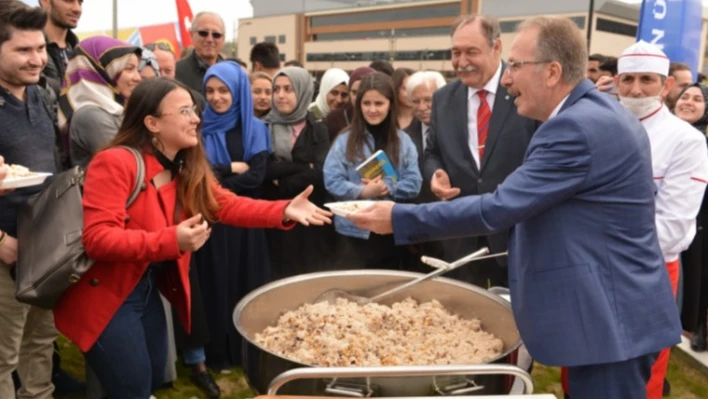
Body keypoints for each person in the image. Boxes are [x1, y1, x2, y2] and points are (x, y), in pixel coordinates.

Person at [350, 16, 682, 399]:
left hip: (610, 318)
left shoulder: (576, 128)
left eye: (516, 67)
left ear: (552, 72)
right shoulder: (594, 113)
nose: (506, 80)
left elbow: (500, 207)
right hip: (608, 311)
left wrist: (398, 216)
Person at [52, 77, 330, 398]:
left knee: (153, 374)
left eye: (194, 110)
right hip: (107, 296)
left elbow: (224, 204)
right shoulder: (115, 162)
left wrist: (282, 210)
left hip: (144, 289)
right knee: (132, 386)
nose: (197, 118)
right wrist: (172, 240)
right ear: (152, 123)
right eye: (185, 111)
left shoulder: (182, 163)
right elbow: (98, 239)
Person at [573, 40, 708, 399]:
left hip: (645, 275)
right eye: (628, 79)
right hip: (587, 269)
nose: (635, 89)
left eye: (647, 79)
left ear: (666, 86)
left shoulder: (686, 141)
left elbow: (673, 231)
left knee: (635, 376)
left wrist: (591, 235)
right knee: (581, 366)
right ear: (615, 82)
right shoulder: (591, 126)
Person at [424, 15, 538, 288]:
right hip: (461, 237)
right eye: (455, 52)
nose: (461, 62)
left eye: (471, 52)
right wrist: (434, 174)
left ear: (496, 48)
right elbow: (431, 152)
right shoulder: (443, 98)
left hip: (516, 236)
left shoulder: (526, 90)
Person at [195, 61, 273, 374]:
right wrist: (229, 169)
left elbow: (256, 177)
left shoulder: (255, 128)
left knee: (245, 280)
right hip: (213, 222)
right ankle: (218, 354)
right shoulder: (198, 127)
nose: (216, 97)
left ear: (237, 91)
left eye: (223, 90)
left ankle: (246, 352)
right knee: (216, 283)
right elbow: (198, 178)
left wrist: (217, 179)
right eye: (210, 91)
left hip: (247, 222)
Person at [0, 3, 58, 398]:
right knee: (3, 357)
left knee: (41, 344)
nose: (37, 59)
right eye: (23, 50)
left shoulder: (40, 94)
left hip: (47, 249)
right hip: (7, 253)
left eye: (39, 48)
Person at [324, 72, 421, 270]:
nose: (372, 109)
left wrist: (387, 187)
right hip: (352, 231)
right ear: (358, 105)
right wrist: (362, 192)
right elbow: (332, 179)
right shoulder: (345, 139)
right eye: (366, 103)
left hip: (391, 228)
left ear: (390, 104)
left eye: (379, 103)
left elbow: (414, 182)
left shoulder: (403, 141)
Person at [263, 67, 331, 279]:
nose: (281, 95)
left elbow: (320, 172)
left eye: (288, 89)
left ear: (302, 91)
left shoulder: (317, 128)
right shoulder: (263, 127)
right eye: (277, 89)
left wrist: (282, 183)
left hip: (309, 215)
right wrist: (303, 167)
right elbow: (265, 170)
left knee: (307, 273)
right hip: (274, 212)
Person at [58, 36, 142, 167]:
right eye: (129, 69)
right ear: (102, 70)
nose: (138, 77)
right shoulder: (90, 115)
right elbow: (127, 162)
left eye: (137, 69)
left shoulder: (117, 108)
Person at [675, 83, 708, 353]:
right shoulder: (661, 135)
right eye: (685, 96)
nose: (689, 102)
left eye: (697, 99)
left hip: (697, 232)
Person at [404, 70, 447, 203]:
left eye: (428, 100)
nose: (422, 107)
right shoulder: (404, 137)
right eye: (416, 101)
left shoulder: (461, 129)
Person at [175, 11, 225, 93]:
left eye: (216, 34)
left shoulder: (233, 73)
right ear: (191, 35)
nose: (210, 39)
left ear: (223, 39)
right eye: (203, 33)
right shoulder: (177, 72)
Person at [39, 0, 81, 95]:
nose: (77, 9)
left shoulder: (79, 50)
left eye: (80, 2)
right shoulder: (28, 52)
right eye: (69, 1)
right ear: (45, 2)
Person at [323, 66, 375, 143]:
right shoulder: (334, 118)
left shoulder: (379, 116)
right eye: (354, 92)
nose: (357, 97)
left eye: (363, 92)